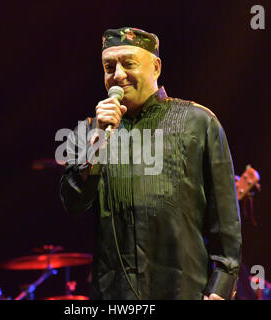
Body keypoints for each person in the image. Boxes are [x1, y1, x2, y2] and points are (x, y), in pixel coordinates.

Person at [59, 27, 242, 300]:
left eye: (128, 64)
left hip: (182, 289)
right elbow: (72, 205)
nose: (118, 75)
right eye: (109, 67)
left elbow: (225, 223)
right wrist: (97, 142)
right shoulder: (89, 132)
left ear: (155, 67)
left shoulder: (199, 123)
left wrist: (219, 291)